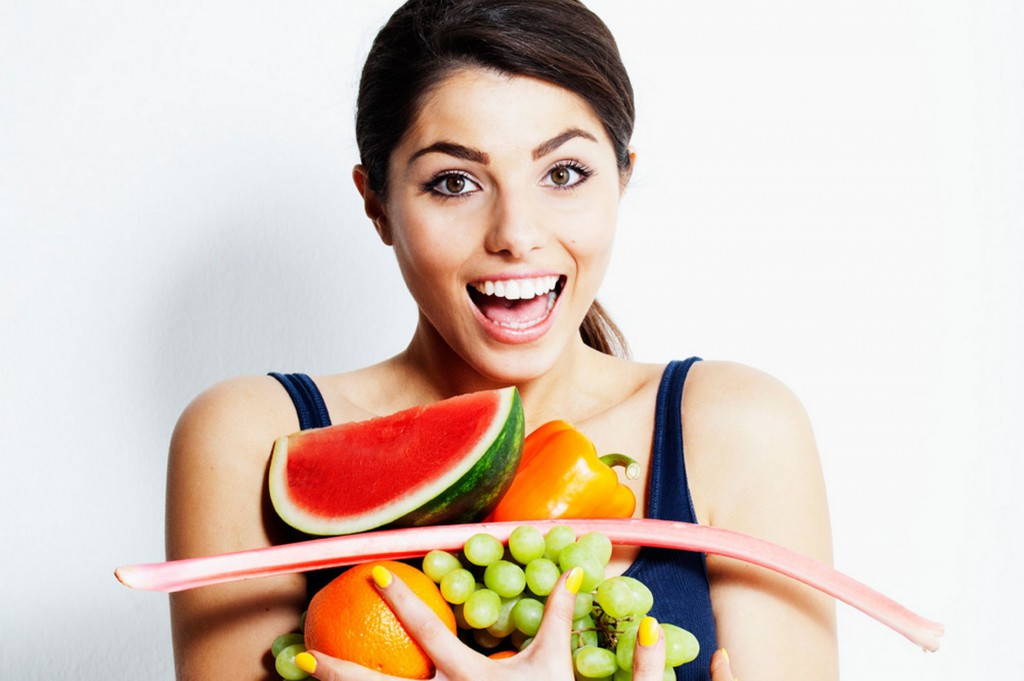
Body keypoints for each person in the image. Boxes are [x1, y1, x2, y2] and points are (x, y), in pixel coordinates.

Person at [165, 1, 839, 680]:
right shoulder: (251, 437)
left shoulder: (738, 427)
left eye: (564, 173)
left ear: (623, 177)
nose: (516, 232)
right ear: (378, 204)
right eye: (453, 182)